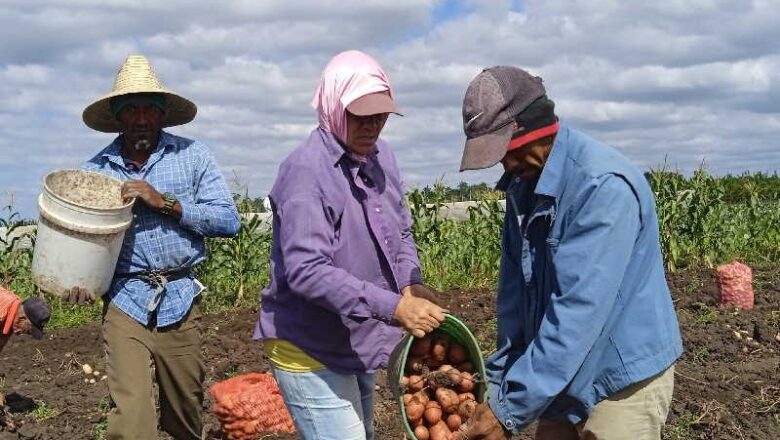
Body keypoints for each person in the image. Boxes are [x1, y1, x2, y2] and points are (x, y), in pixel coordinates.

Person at [455, 66, 683, 440]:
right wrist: (496, 389)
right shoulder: (523, 186)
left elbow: (577, 312)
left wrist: (507, 412)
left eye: (506, 151)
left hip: (618, 378)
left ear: (533, 128)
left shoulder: (602, 187)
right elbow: (513, 302)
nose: (504, 165)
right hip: (561, 371)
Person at [254, 50, 446, 440]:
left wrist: (410, 281)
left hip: (356, 337)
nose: (373, 125)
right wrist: (394, 306)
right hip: (309, 347)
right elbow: (307, 272)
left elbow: (402, 231)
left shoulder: (382, 157)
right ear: (333, 107)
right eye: (361, 116)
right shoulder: (306, 172)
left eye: (381, 115)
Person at [67, 54, 240, 439]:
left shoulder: (192, 156)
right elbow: (87, 242)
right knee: (131, 419)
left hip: (179, 297)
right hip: (125, 299)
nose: (141, 118)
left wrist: (166, 203)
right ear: (117, 115)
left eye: (150, 109)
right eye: (131, 110)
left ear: (163, 114)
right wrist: (80, 280)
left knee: (185, 411)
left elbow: (229, 221)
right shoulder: (95, 172)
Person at [0, 287, 51, 406]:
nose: (21, 334)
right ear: (22, 318)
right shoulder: (2, 311)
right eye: (27, 331)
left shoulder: (13, 317)